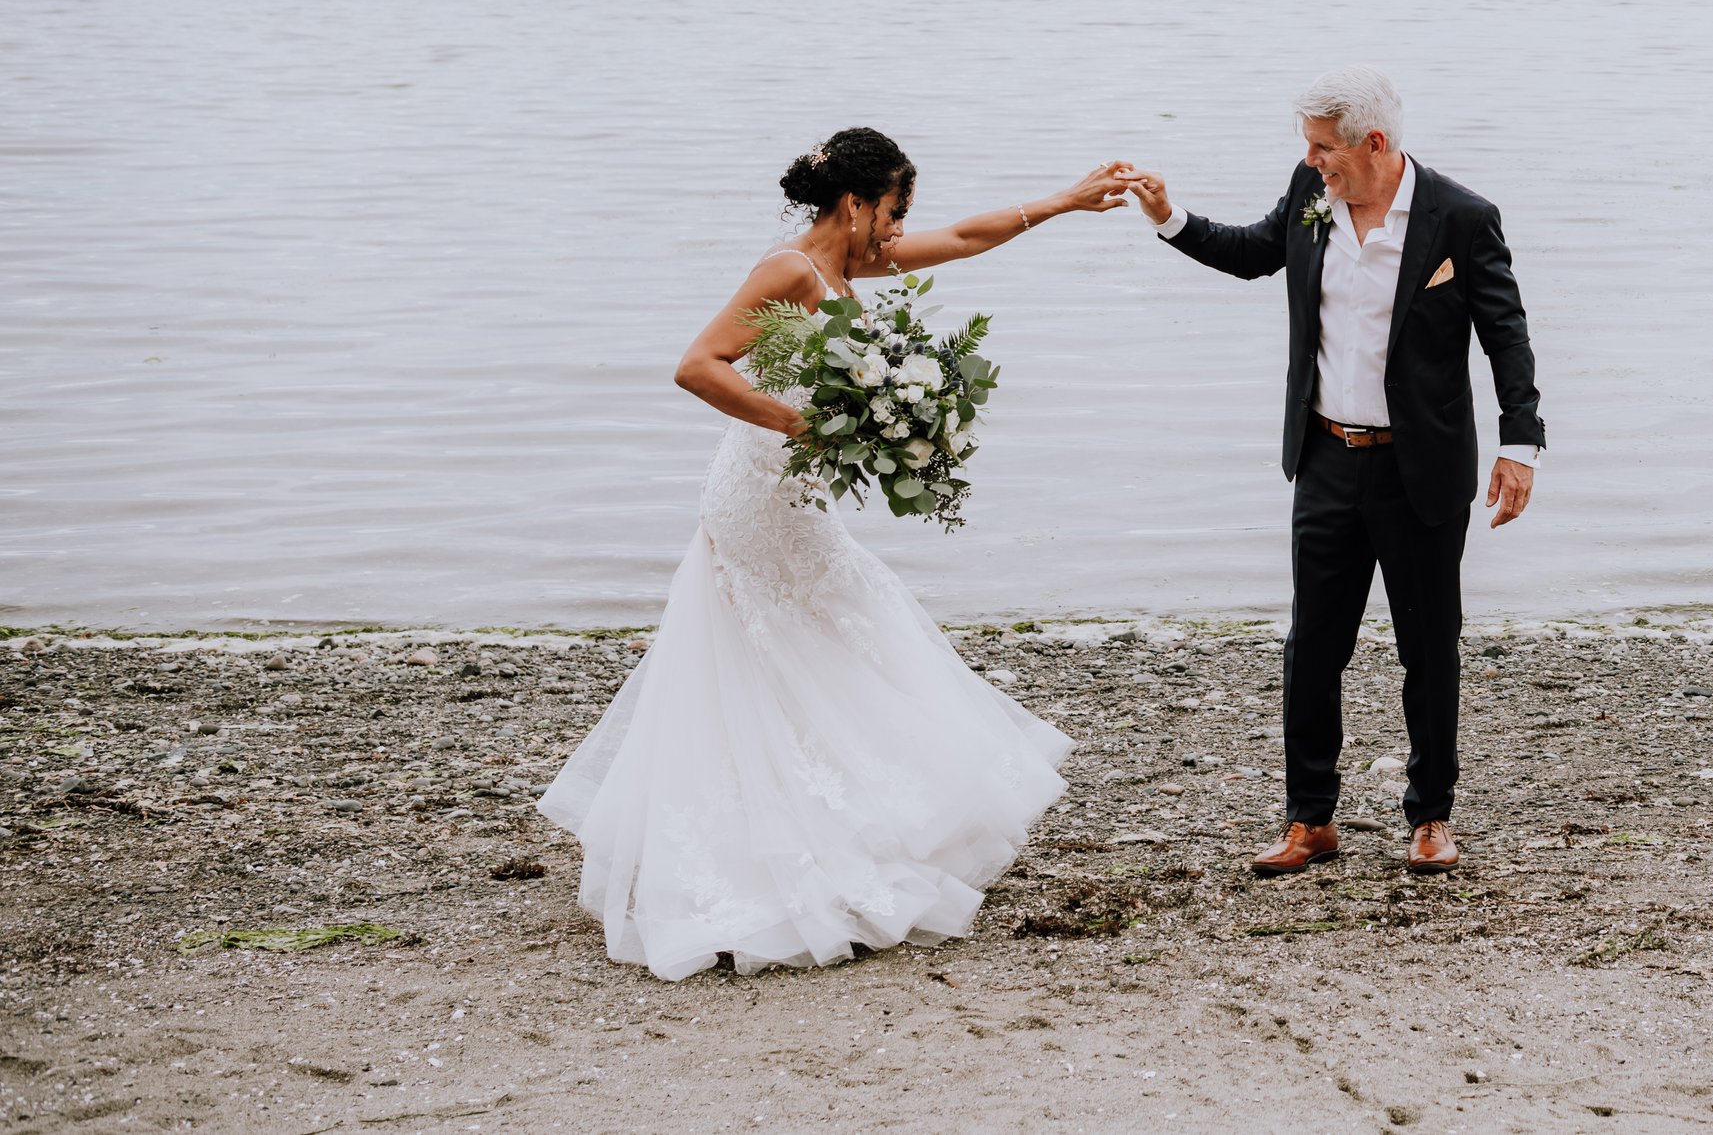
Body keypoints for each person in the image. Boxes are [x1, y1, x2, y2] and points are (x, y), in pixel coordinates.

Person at [538, 128, 1131, 980]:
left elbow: (965, 239)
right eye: (893, 214)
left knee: (825, 645)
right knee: (820, 640)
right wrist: (803, 423)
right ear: (854, 204)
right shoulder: (788, 272)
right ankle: (784, 857)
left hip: (797, 497)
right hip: (757, 499)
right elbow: (697, 366)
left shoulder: (853, 268)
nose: (899, 232)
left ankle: (840, 830)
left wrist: (1067, 201)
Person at [1124, 67, 1544, 877]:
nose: (1312, 161)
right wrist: (1168, 216)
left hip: (1417, 469)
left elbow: (1507, 335)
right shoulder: (1311, 192)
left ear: (1374, 143)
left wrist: (1519, 444)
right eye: (1309, 148)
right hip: (1324, 457)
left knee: (1429, 645)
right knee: (1312, 646)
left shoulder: (1460, 218)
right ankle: (1310, 819)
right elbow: (1252, 253)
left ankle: (1430, 818)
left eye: (1325, 149)